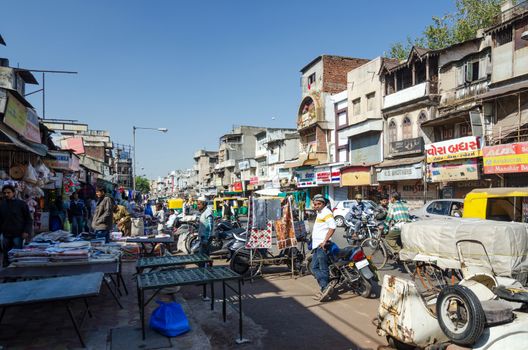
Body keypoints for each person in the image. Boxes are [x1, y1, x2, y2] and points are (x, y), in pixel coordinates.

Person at [310, 194, 336, 302]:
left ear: (323, 204)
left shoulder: (326, 213)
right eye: (315, 204)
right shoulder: (320, 212)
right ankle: (325, 287)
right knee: (313, 267)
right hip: (317, 245)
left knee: (322, 268)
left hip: (322, 245)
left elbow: (333, 227)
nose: (316, 206)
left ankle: (325, 288)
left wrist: (325, 241)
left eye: (318, 204)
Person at [0, 185, 32, 267]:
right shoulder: (2, 205)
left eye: (8, 192)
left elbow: (28, 219)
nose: (6, 194)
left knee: (17, 254)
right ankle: (6, 272)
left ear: (14, 193)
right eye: (4, 193)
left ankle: (17, 272)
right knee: (6, 254)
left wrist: (26, 231)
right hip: (6, 234)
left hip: (18, 234)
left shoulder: (21, 204)